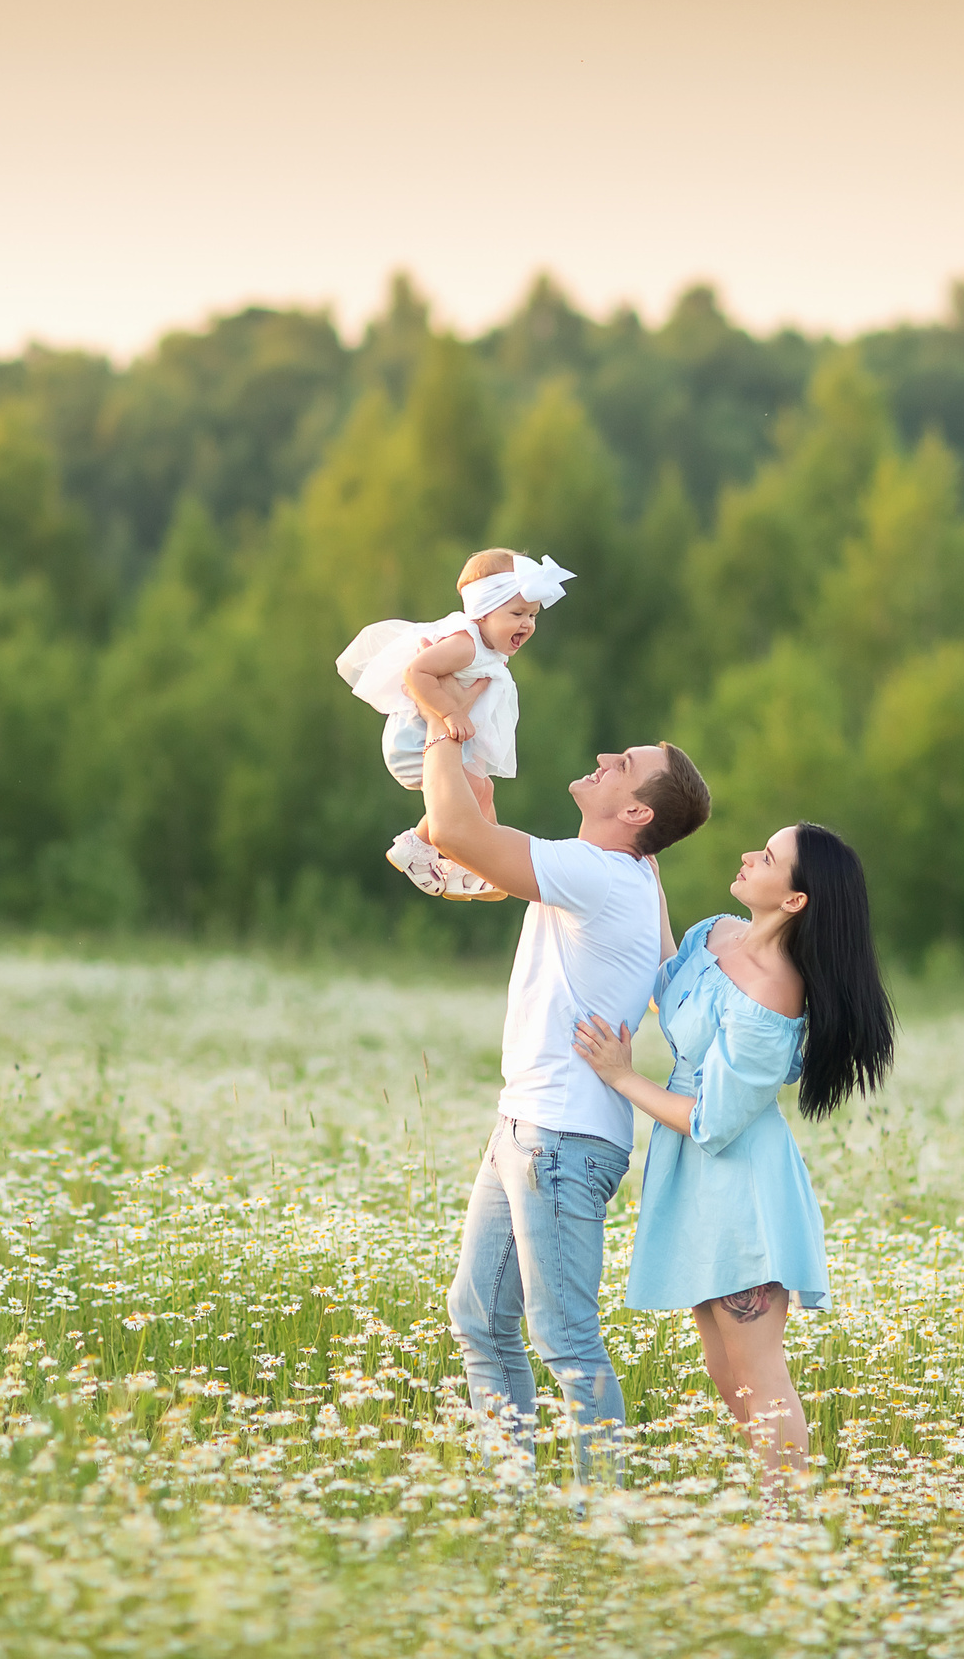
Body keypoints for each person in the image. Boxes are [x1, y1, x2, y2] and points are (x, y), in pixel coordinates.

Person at [421, 733, 712, 1480]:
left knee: (566, 1339)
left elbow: (456, 834)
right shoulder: (635, 871)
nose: (609, 756)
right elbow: (474, 839)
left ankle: (600, 1521)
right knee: (480, 1317)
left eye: (627, 765)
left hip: (559, 1139)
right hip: (530, 1126)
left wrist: (437, 722)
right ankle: (511, 1497)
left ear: (636, 811)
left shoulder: (604, 872)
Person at [571, 822, 895, 1489]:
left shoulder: (774, 992)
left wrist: (623, 1077)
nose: (750, 855)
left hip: (740, 1184)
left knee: (756, 1368)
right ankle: (773, 1499)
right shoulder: (716, 934)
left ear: (796, 900)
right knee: (724, 1367)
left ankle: (789, 1519)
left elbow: (714, 1122)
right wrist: (645, 875)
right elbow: (671, 982)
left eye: (769, 857)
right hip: (696, 1183)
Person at [335, 548, 574, 900]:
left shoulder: (486, 647)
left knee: (483, 792)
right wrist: (450, 713)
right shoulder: (466, 644)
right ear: (483, 612)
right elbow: (416, 672)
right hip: (416, 741)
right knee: (475, 792)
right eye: (517, 613)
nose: (527, 624)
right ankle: (417, 847)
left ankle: (480, 864)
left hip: (444, 740)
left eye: (533, 615)